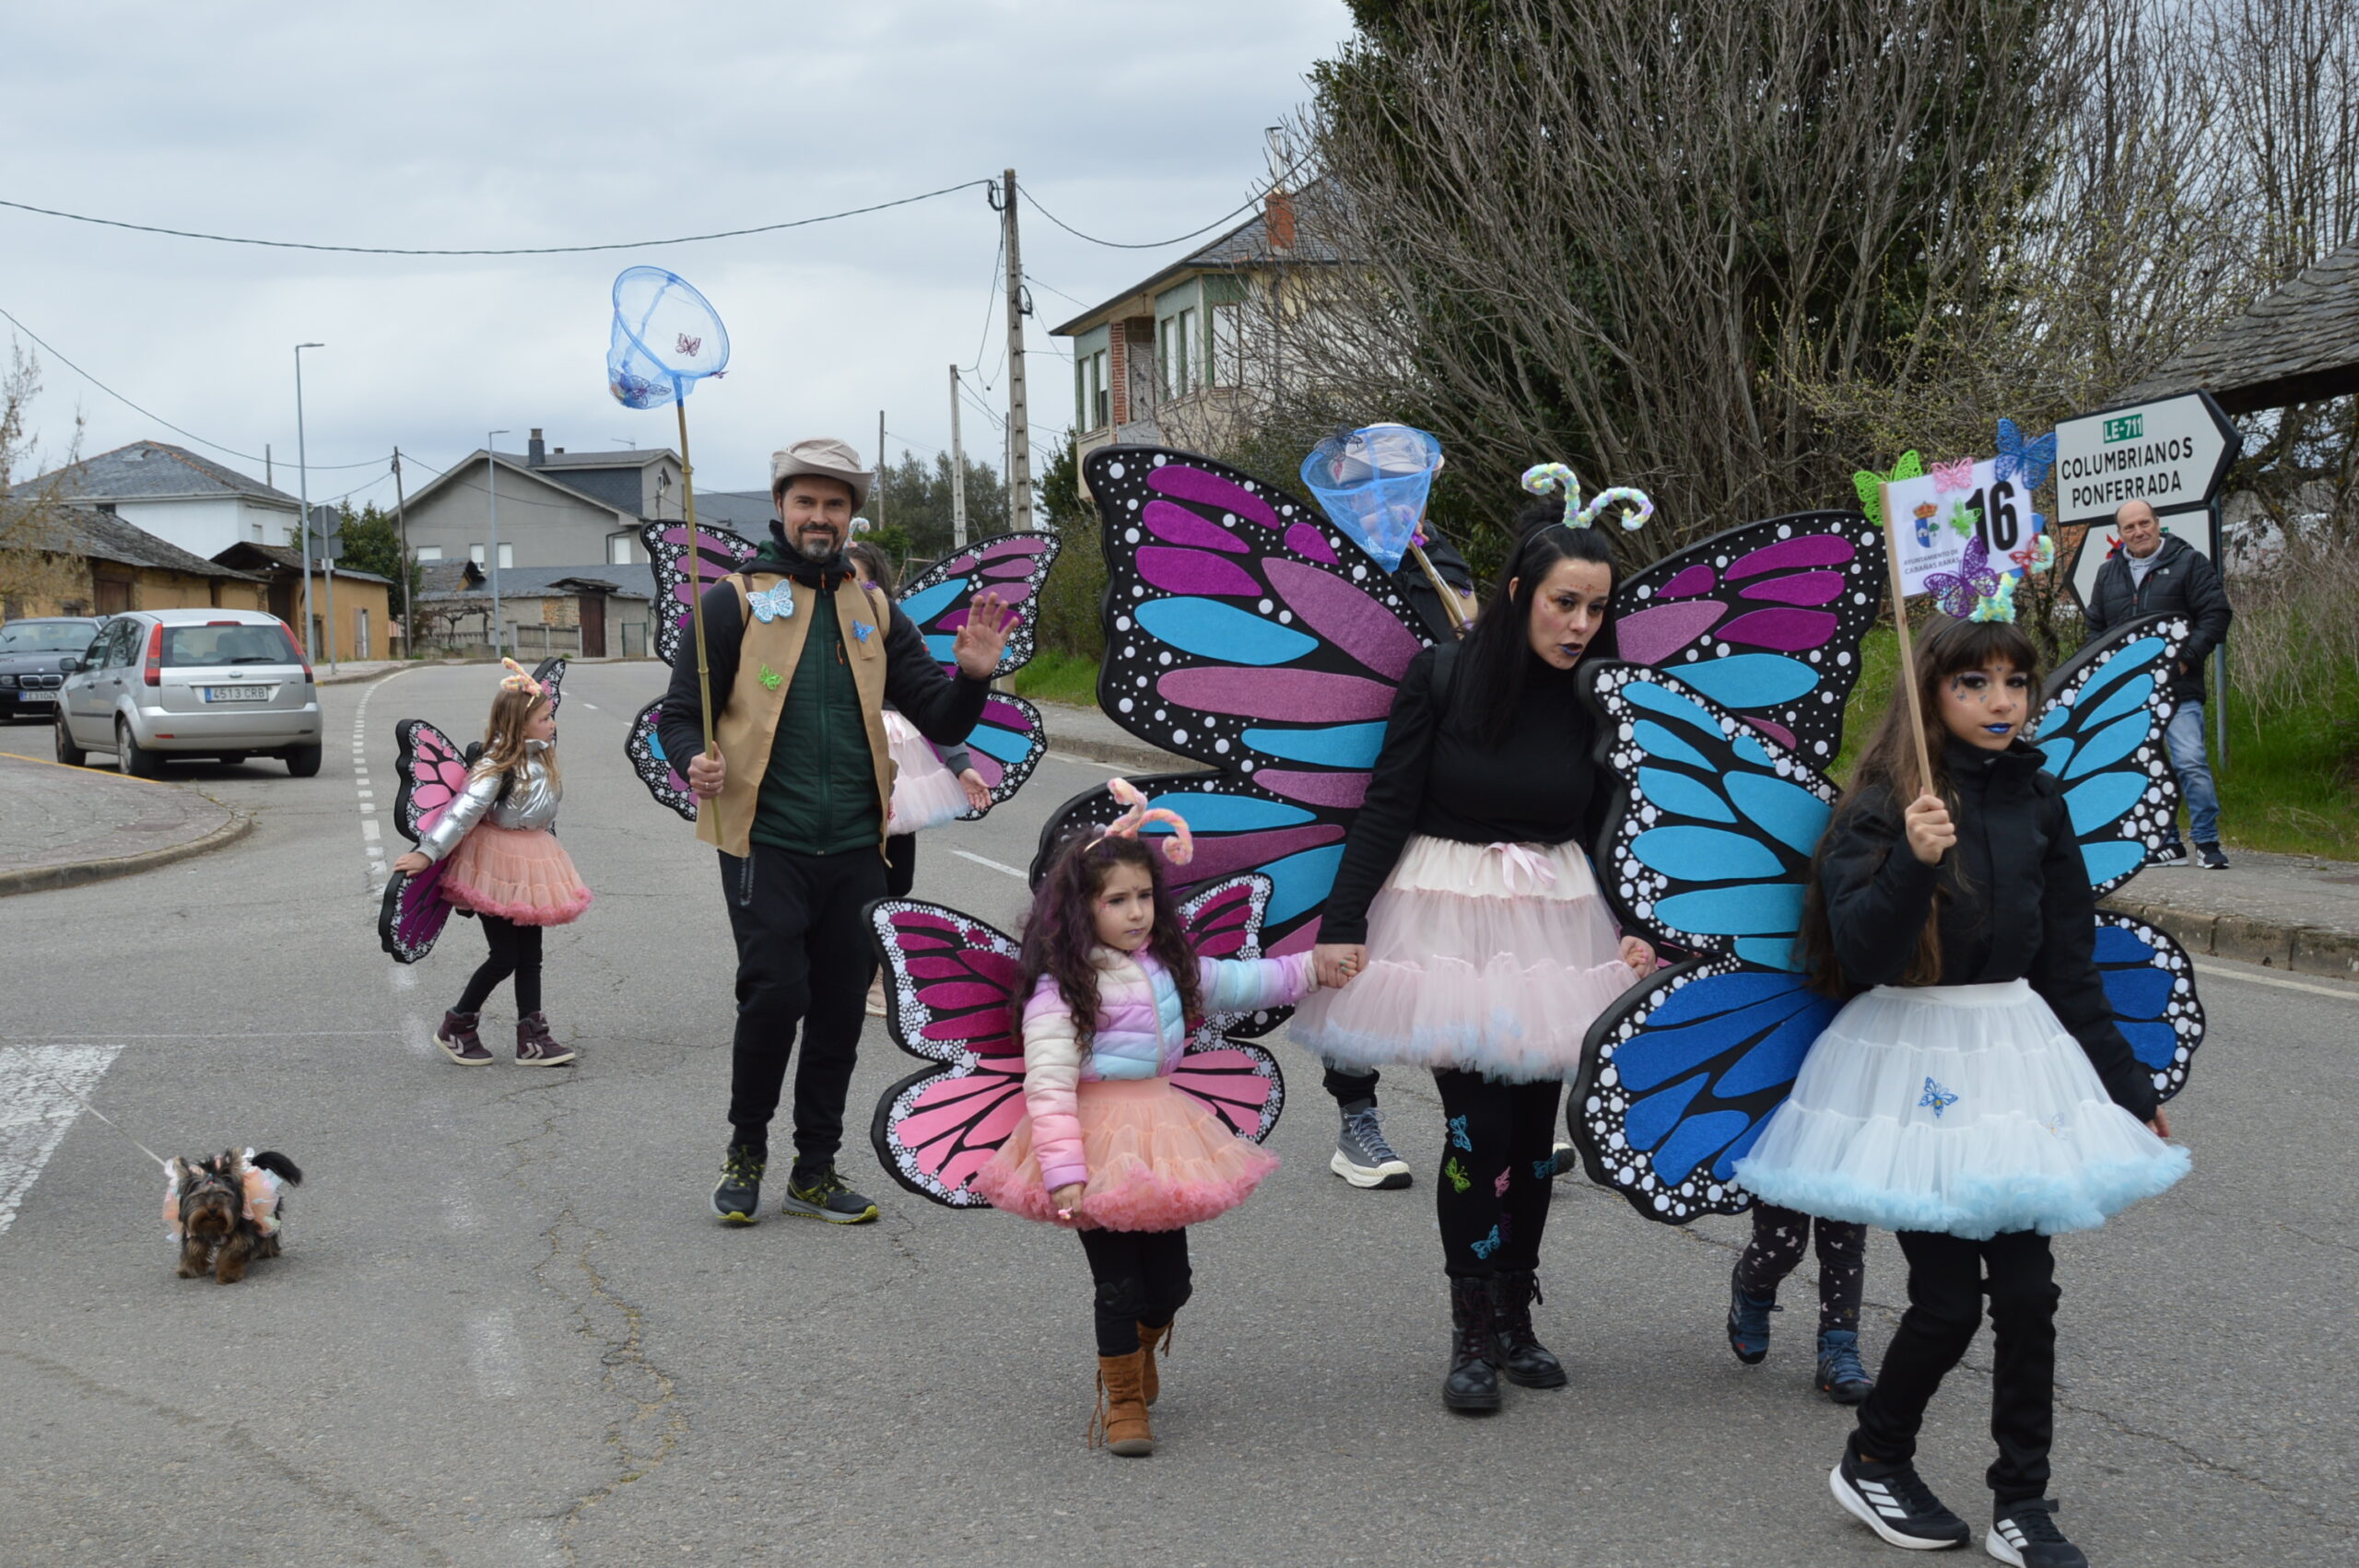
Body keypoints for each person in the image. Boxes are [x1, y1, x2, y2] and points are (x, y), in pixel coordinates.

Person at [1734, 612, 2189, 1566]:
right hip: (1914, 1068)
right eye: (1972, 683)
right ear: (1930, 692)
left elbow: (2069, 964)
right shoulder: (1883, 805)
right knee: (1946, 1301)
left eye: (2014, 683)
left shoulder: (2040, 801)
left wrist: (2126, 1083)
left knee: (2027, 1292)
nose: (1998, 702)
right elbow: (1856, 952)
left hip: (2014, 1060)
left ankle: (2021, 1501)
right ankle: (1874, 1457)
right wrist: (1913, 856)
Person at [1290, 478, 1655, 1415]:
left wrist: (1637, 928)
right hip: (1443, 918)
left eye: (1594, 607)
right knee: (1473, 1128)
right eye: (1562, 603)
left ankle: (1515, 1312)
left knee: (1535, 1135)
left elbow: (1615, 826)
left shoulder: (1600, 701)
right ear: (1516, 595)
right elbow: (1387, 803)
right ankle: (1468, 1330)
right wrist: (1341, 923)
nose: (1578, 623)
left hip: (1557, 920)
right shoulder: (1441, 677)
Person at [660, 437, 1012, 1227]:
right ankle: (746, 1152)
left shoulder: (878, 610)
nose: (820, 517)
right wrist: (694, 760)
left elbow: (940, 713)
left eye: (836, 504)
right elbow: (682, 714)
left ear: (852, 516)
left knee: (841, 1012)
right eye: (807, 501)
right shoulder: (732, 602)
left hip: (859, 845)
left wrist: (975, 677)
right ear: (781, 507)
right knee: (774, 995)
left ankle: (813, 1169)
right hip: (765, 841)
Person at [967, 795, 1334, 1456]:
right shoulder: (1062, 989)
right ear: (1081, 909)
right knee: (1119, 1284)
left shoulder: (1170, 966)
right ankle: (1123, 1400)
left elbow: (1243, 982)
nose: (1137, 912)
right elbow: (1047, 1085)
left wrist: (1311, 968)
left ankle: (1143, 1347)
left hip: (1164, 1135)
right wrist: (1065, 1173)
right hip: (1094, 1143)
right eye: (1117, 901)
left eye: (1144, 896)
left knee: (1170, 1286)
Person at [1325, 522, 1480, 1192]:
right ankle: (1355, 1116)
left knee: (1455, 959)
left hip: (1434, 793)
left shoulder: (1435, 551)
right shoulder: (1336, 564)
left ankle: (1478, 1118)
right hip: (1345, 787)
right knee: (1346, 953)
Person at [393, 659, 589, 1069]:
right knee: (505, 956)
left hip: (533, 861)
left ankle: (532, 1037)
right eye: (544, 718)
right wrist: (427, 851)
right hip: (495, 865)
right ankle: (457, 1025)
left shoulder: (541, 758)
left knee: (530, 956)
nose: (552, 724)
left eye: (550, 716)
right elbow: (461, 812)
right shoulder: (496, 765)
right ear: (520, 724)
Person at [846, 539, 993, 1015]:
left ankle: (868, 970)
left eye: (862, 579)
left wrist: (963, 766)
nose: (851, 587)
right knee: (848, 879)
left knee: (896, 878)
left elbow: (934, 710)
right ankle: (855, 974)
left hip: (898, 767)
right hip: (838, 769)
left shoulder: (894, 633)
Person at [2082, 500, 2234, 868]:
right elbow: (2095, 629)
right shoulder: (2108, 573)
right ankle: (2167, 842)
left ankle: (2207, 842)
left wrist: (2185, 659)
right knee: (2147, 768)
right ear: (2120, 535)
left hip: (2179, 689)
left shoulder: (2189, 562)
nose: (2138, 531)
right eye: (2129, 527)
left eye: (2144, 523)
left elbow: (2216, 615)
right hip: (2131, 695)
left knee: (2190, 761)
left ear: (2157, 523)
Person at [1724, 1204, 1873, 1405]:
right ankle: (1752, 1294)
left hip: (1848, 1173)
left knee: (1845, 1248)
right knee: (1778, 1248)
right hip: (1782, 1173)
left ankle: (1839, 1346)